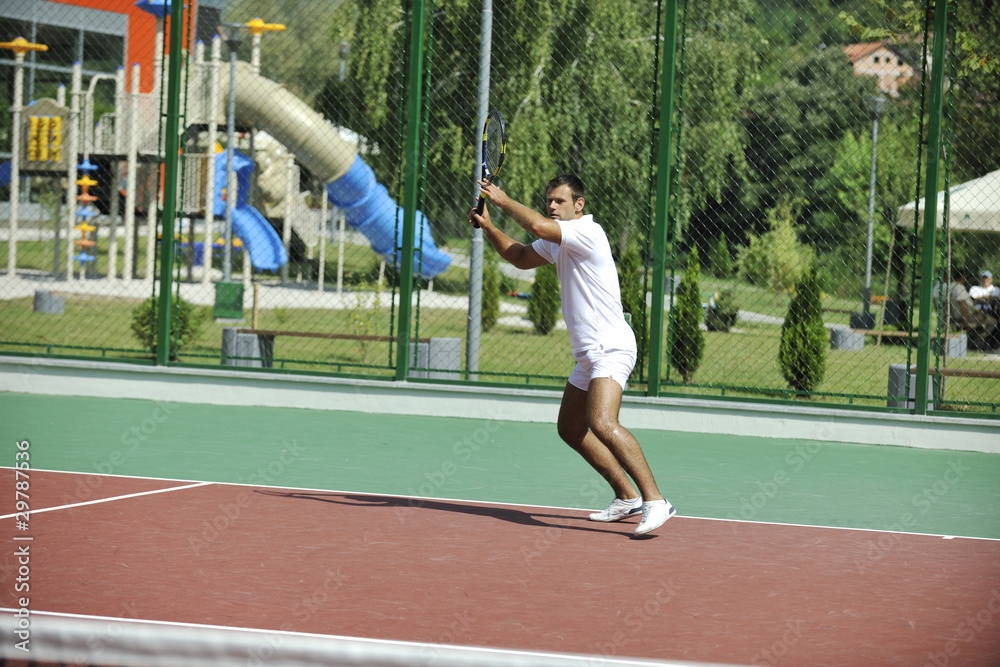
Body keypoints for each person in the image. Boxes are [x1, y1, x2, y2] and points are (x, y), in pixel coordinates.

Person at [470, 173, 674, 537]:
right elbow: (518, 257)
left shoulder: (586, 232)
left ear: (578, 205)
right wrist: (488, 226)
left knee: (603, 423)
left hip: (611, 347)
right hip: (588, 355)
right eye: (549, 200)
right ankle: (626, 496)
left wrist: (501, 201)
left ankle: (655, 500)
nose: (551, 206)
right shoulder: (558, 240)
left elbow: (534, 223)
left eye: (559, 201)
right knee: (570, 428)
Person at [949, 266, 999, 349]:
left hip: (977, 312)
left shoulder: (952, 286)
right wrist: (965, 320)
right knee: (993, 321)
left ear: (991, 279)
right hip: (970, 314)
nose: (985, 280)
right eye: (983, 278)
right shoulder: (964, 287)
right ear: (963, 276)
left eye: (987, 278)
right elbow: (962, 303)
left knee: (991, 319)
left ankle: (980, 339)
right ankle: (980, 339)